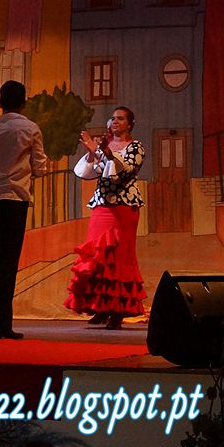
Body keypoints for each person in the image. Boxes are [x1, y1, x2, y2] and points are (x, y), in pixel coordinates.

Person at [0, 80, 48, 339]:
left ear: (0, 102)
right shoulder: (30, 128)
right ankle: (2, 324)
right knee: (8, 262)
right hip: (15, 197)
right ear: (23, 102)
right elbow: (40, 166)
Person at [64, 106, 146, 329]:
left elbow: (124, 172)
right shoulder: (104, 145)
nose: (115, 121)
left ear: (130, 124)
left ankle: (117, 311)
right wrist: (93, 153)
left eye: (121, 118)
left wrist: (107, 153)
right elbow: (87, 173)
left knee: (119, 258)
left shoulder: (135, 147)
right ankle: (101, 307)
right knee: (97, 256)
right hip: (102, 205)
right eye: (113, 118)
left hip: (123, 207)